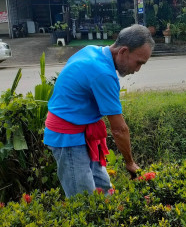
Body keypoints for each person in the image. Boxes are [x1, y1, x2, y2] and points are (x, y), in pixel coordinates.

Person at [44, 24, 155, 198]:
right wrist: (130, 163)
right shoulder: (102, 73)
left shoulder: (92, 50)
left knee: (105, 190)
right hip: (69, 137)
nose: (138, 69)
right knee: (84, 201)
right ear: (123, 52)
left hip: (84, 130)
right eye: (138, 62)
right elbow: (119, 129)